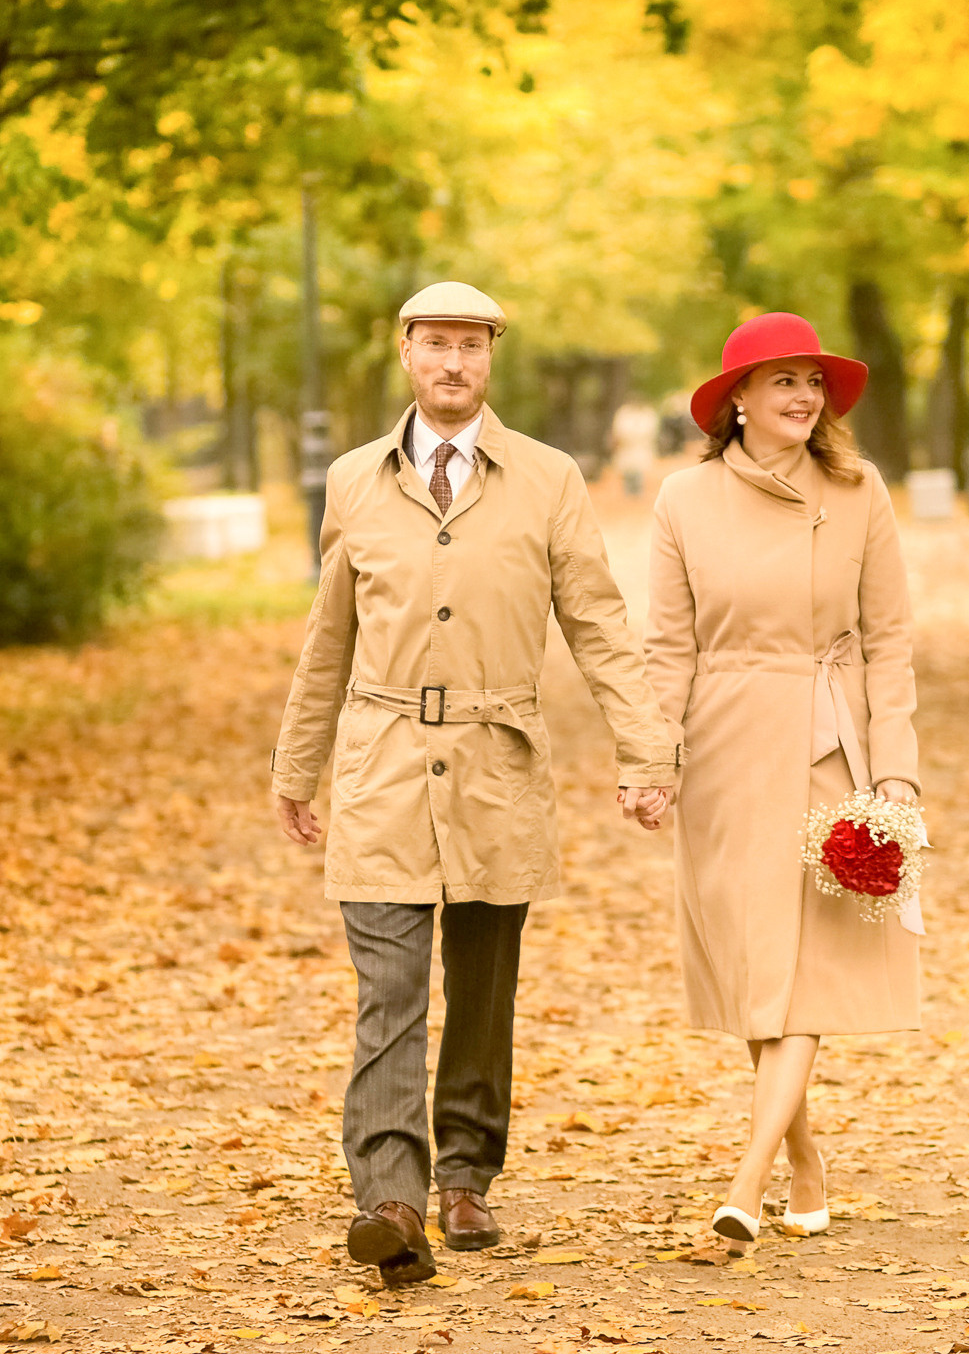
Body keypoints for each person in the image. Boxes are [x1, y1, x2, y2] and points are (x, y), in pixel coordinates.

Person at [269, 281, 681, 1288]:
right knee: (392, 990)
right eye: (435, 344)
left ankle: (466, 1174)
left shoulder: (547, 479)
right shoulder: (356, 481)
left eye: (470, 346)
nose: (453, 363)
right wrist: (295, 763)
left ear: (489, 357)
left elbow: (597, 623)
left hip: (499, 767)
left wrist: (646, 752)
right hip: (382, 765)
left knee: (484, 989)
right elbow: (330, 637)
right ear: (405, 352)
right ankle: (392, 1200)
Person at [641, 311, 924, 1246]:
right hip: (722, 751)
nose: (804, 397)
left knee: (802, 970)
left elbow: (889, 644)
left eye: (813, 381)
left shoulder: (858, 491)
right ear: (738, 403)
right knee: (763, 969)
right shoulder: (683, 500)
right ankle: (806, 1165)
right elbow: (666, 648)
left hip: (826, 747)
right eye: (782, 381)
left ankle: (748, 1181)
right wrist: (652, 759)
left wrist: (897, 776)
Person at [608, 398, 660, 497]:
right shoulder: (623, 413)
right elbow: (619, 432)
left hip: (640, 448)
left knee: (639, 471)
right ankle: (628, 493)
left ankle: (637, 493)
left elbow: (649, 432)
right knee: (627, 471)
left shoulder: (647, 414)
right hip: (626, 448)